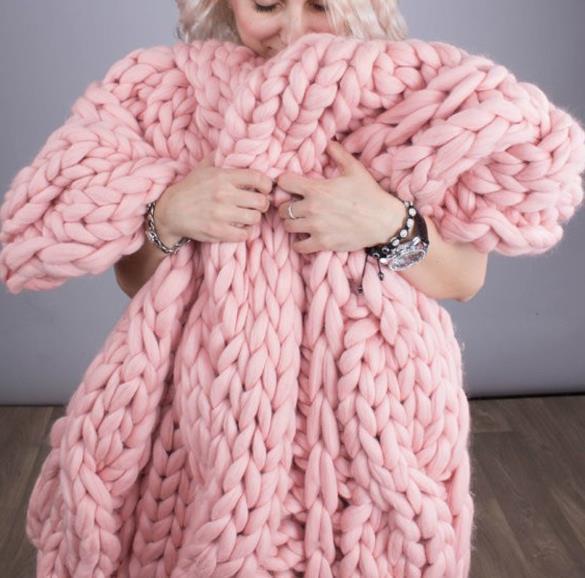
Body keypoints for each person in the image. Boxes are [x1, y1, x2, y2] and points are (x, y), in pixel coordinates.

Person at [114, 0, 488, 303]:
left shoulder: (411, 100)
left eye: (321, 5)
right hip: (210, 369)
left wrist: (388, 224)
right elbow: (133, 282)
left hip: (368, 372)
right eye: (265, 5)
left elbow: (465, 281)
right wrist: (168, 217)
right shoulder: (176, 99)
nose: (294, 32)